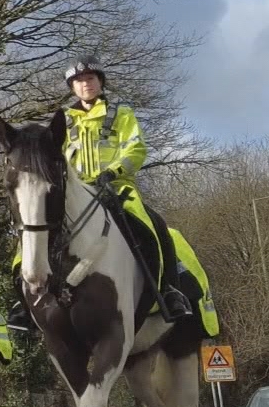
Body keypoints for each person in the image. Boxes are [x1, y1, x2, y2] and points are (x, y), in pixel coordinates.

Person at [61, 57, 193, 322]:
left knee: (153, 225)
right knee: (37, 228)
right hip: (77, 192)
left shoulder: (121, 113)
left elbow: (136, 148)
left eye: (90, 79)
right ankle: (26, 301)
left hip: (116, 187)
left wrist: (113, 172)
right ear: (72, 88)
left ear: (100, 82)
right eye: (79, 81)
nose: (85, 84)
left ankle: (170, 289)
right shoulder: (64, 121)